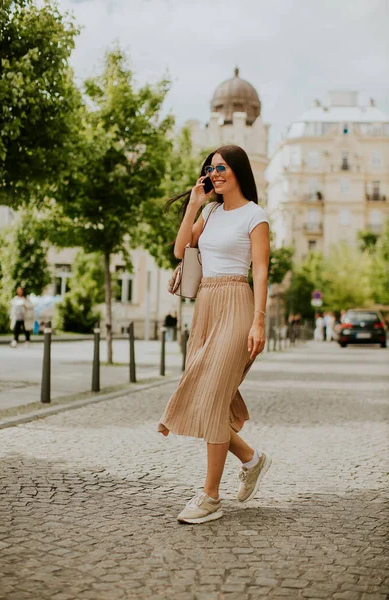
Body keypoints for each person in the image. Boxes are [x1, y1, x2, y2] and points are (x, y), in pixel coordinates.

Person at [157, 145, 272, 524]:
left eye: (221, 167)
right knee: (210, 397)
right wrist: (193, 204)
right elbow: (180, 250)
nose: (215, 173)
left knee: (209, 395)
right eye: (211, 168)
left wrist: (259, 320)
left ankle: (210, 497)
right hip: (205, 304)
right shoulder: (209, 211)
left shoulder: (255, 216)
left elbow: (260, 271)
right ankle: (252, 460)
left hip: (238, 302)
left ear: (238, 170)